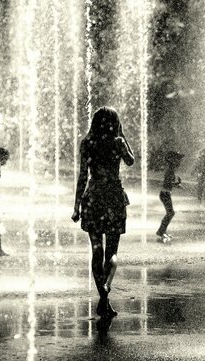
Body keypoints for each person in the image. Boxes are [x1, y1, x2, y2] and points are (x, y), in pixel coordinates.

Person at [72, 107, 135, 318]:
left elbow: (82, 176)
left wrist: (76, 207)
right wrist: (122, 136)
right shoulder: (118, 142)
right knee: (112, 252)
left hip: (93, 198)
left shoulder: (87, 143)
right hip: (113, 198)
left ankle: (103, 299)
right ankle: (106, 289)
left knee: (96, 251)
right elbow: (131, 161)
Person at [156, 150, 184, 240]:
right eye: (178, 159)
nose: (180, 162)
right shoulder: (170, 170)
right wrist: (176, 184)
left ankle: (162, 231)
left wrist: (176, 184)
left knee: (170, 213)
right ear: (173, 160)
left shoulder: (171, 169)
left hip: (165, 193)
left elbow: (168, 183)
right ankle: (161, 231)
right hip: (165, 194)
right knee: (170, 213)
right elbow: (167, 183)